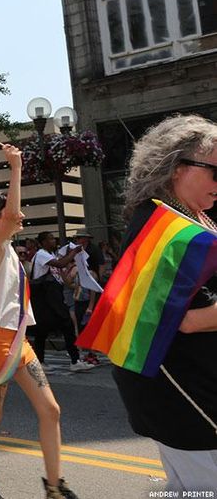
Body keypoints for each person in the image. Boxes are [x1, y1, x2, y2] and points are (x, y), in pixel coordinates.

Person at [110, 114, 217, 490]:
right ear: (176, 168)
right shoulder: (166, 225)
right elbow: (190, 318)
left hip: (188, 385)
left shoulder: (191, 218)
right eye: (215, 171)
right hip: (183, 390)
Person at [0, 144, 78, 499]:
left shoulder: (7, 249)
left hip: (17, 340)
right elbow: (14, 218)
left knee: (50, 410)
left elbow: (14, 219)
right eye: (11, 212)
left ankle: (54, 485)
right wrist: (16, 168)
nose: (21, 215)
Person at [30, 232, 94, 372]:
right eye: (50, 239)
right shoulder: (41, 254)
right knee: (60, 326)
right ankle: (73, 360)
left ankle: (69, 360)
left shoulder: (51, 255)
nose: (54, 241)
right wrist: (73, 252)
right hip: (45, 298)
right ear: (43, 242)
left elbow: (63, 277)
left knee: (48, 329)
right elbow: (61, 263)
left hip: (53, 296)